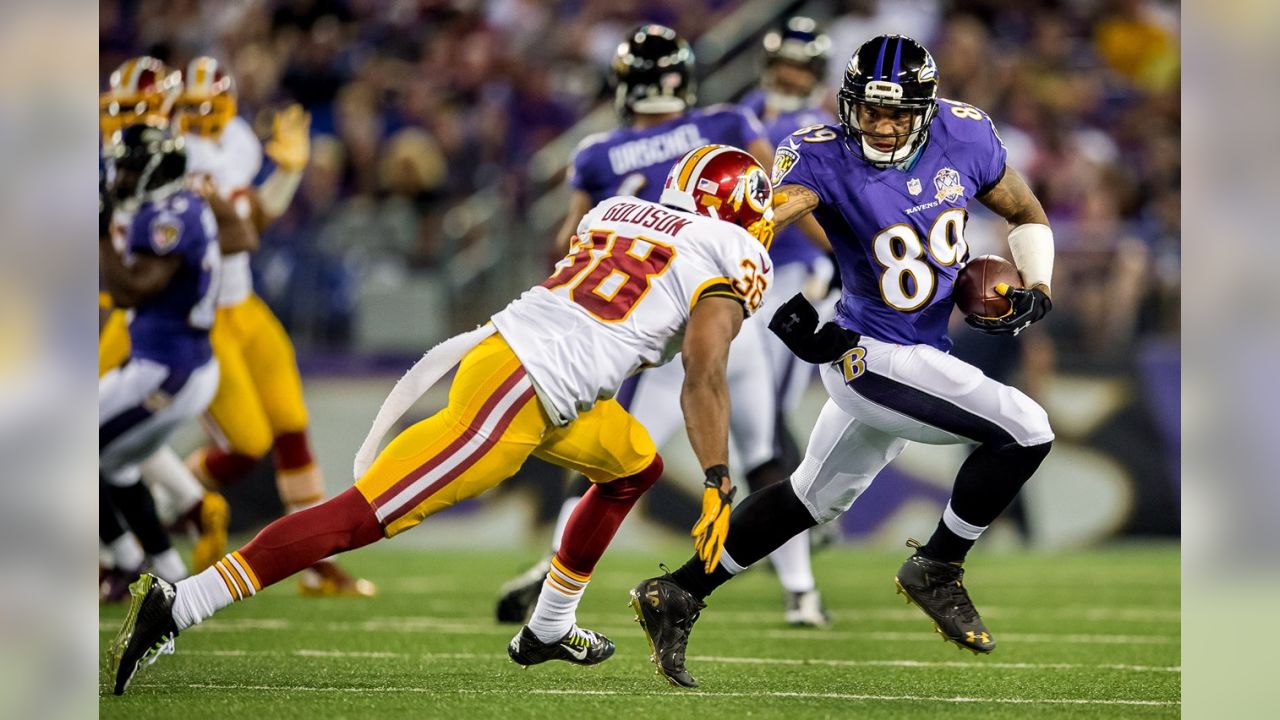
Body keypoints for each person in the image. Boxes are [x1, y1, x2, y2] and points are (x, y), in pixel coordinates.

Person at [107, 145, 778, 696]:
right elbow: (702, 370)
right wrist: (719, 476)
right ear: (737, 210)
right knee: (355, 518)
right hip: (521, 392)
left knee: (634, 466)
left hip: (530, 368)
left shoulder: (618, 210)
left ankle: (548, 626)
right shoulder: (730, 250)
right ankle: (181, 603)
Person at [630, 35, 1056, 689]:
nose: (881, 127)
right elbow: (763, 228)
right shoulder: (819, 155)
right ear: (848, 103)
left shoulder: (966, 135)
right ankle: (938, 566)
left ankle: (678, 593)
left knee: (809, 498)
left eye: (896, 114)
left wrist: (1038, 285)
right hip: (868, 352)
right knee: (1026, 429)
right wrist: (769, 306)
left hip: (919, 349)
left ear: (926, 107)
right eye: (869, 112)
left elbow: (1023, 209)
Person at [495, 23, 828, 628]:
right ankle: (801, 592)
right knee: (763, 450)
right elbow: (771, 197)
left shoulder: (595, 154)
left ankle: (553, 571)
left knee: (611, 459)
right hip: (736, 305)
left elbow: (571, 242)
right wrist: (832, 255)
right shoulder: (725, 123)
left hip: (664, 318)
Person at [173, 56, 373, 596]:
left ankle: (315, 559)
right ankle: (167, 503)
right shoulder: (170, 155)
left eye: (210, 106)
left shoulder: (237, 140)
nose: (200, 118)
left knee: (290, 422)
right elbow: (241, 232)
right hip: (201, 309)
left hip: (245, 305)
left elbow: (254, 218)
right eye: (190, 108)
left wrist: (287, 173)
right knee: (245, 446)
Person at [98, 57, 232, 600]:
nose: (123, 177)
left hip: (171, 368)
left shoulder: (168, 214)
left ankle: (130, 560)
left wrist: (100, 230)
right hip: (163, 358)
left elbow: (133, 289)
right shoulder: (174, 204)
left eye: (132, 169)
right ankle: (160, 567)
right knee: (113, 462)